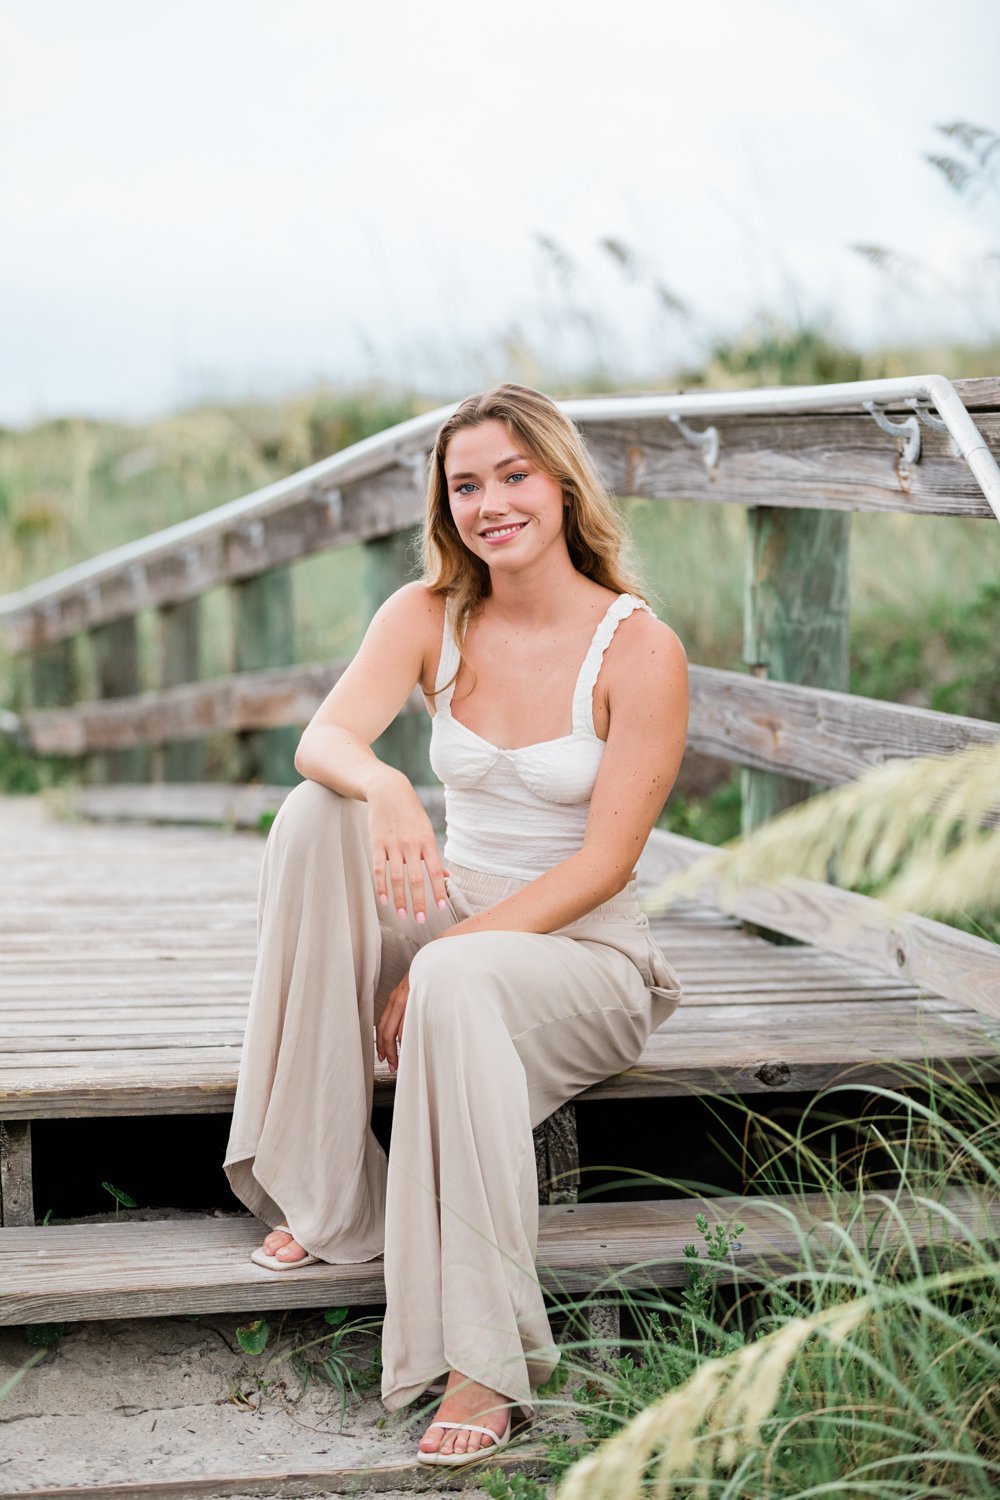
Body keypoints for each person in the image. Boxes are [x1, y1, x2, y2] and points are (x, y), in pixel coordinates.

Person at [223, 383, 688, 1469]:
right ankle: (335, 1193)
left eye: (513, 476)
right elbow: (324, 740)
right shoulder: (427, 613)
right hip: (461, 908)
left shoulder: (638, 649)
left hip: (582, 953)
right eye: (465, 484)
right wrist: (387, 788)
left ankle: (484, 1359)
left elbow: (605, 862)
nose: (490, 503)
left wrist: (440, 956)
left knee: (459, 982)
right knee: (315, 816)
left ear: (562, 484)